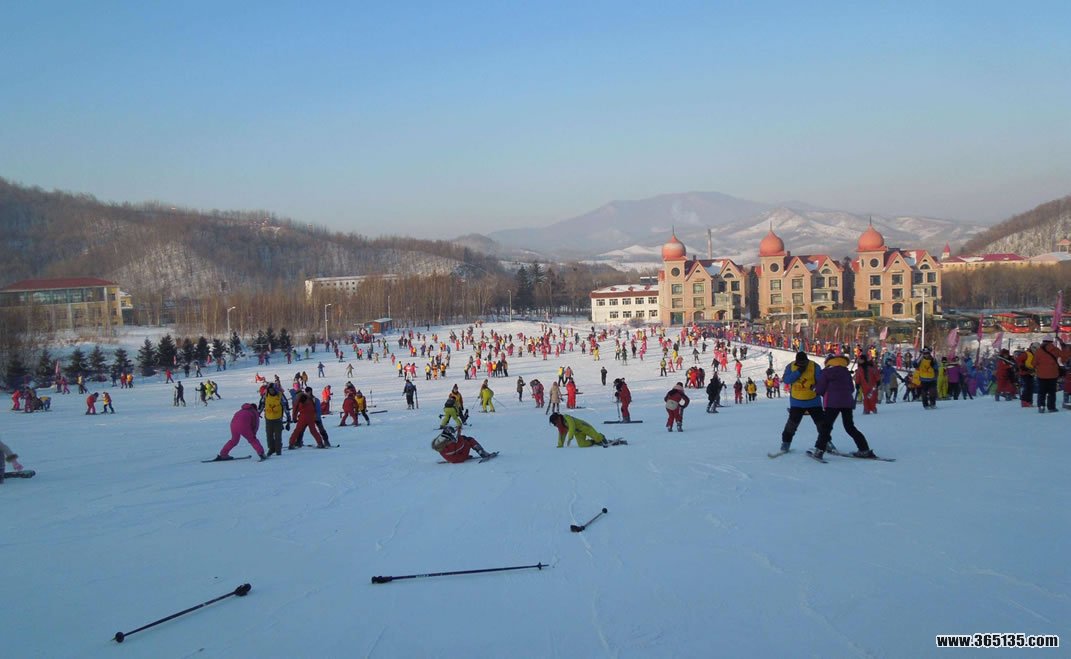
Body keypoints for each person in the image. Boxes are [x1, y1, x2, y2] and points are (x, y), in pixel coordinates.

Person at [814, 354, 875, 459]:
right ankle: (864, 449)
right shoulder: (846, 372)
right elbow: (851, 388)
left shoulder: (826, 372)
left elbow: (820, 389)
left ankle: (819, 450)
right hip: (847, 402)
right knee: (849, 426)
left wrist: (817, 390)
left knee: (826, 427)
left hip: (832, 403)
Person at [778, 351, 827, 453]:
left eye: (803, 363)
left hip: (813, 401)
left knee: (821, 424)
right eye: (799, 363)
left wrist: (816, 386)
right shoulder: (791, 366)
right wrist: (798, 372)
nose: (801, 365)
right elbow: (786, 380)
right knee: (791, 425)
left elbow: (821, 382)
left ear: (807, 360)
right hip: (797, 402)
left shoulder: (814, 366)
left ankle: (826, 442)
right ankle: (786, 443)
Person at [1033, 337, 1064, 413]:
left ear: (1043, 341)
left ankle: (1041, 406)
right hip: (1053, 374)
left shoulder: (1039, 351)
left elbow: (1034, 363)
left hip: (1041, 375)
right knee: (1051, 392)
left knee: (1041, 392)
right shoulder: (1056, 350)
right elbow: (1063, 358)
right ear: (1051, 342)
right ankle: (1051, 407)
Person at [260, 383, 286, 456]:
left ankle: (278, 450)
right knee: (269, 435)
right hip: (268, 418)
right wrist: (258, 413)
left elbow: (285, 405)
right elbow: (262, 404)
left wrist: (288, 418)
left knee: (278, 436)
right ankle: (271, 448)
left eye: (273, 390)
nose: (271, 391)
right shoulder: (265, 395)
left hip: (278, 419)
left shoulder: (280, 395)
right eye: (270, 390)